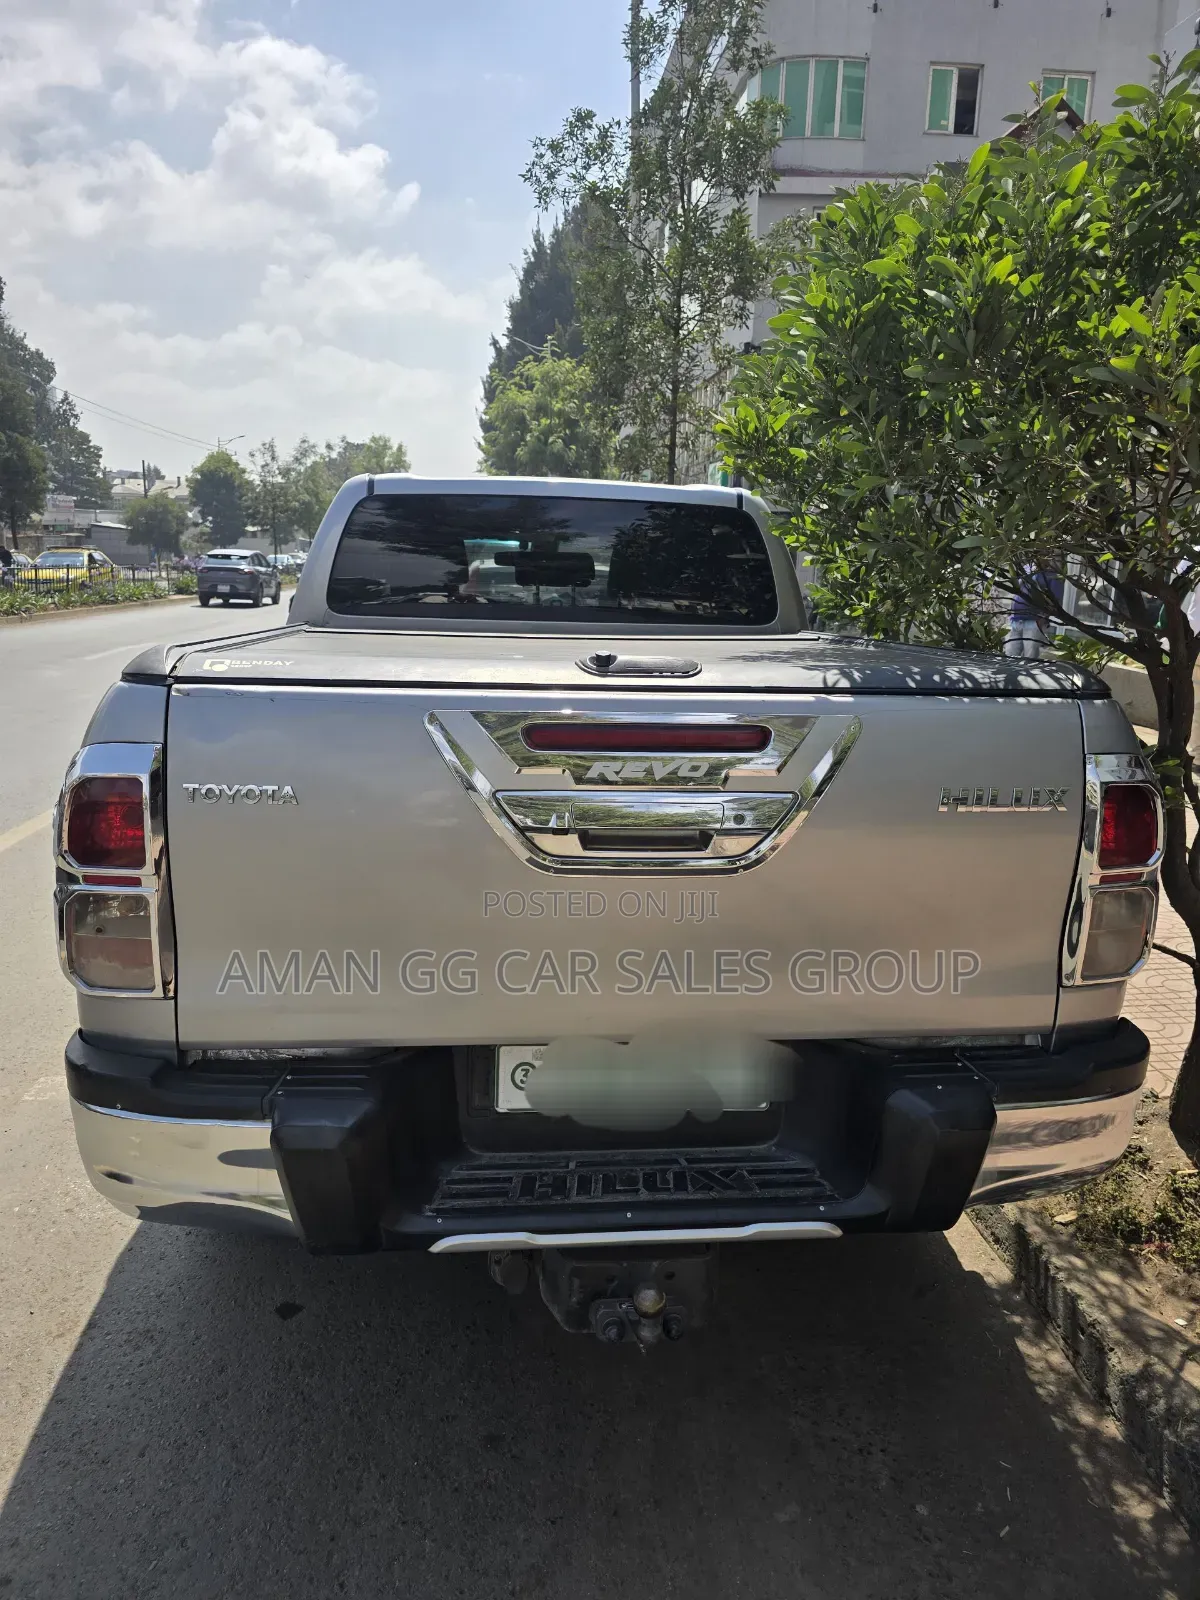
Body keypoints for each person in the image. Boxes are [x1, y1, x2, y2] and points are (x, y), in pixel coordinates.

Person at [1005, 566, 1064, 659]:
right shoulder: (1026, 568)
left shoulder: (1051, 574)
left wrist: (1041, 621)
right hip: (1015, 620)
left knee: (1029, 658)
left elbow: (1055, 601)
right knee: (1009, 655)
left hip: (1033, 622)